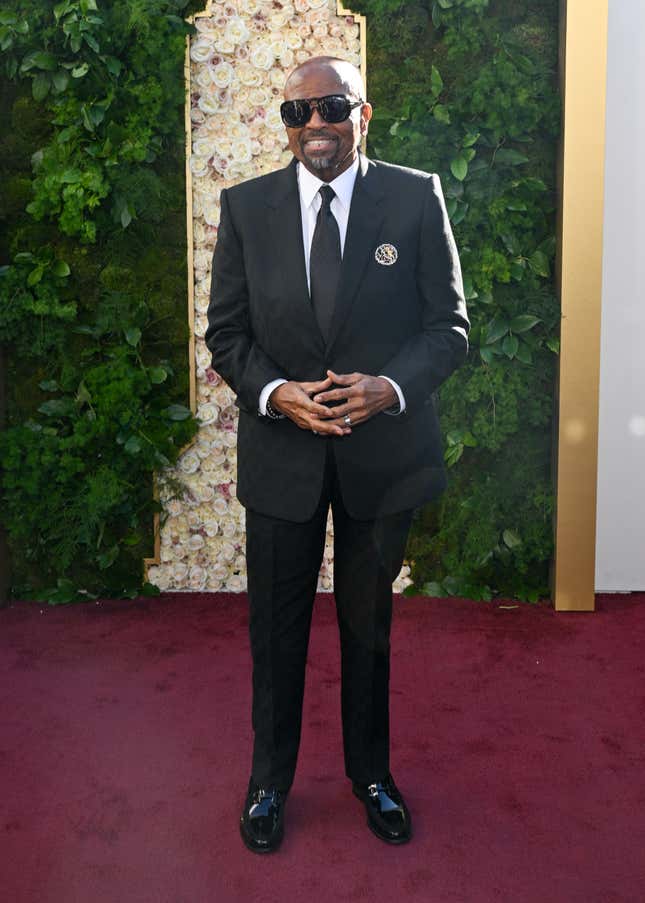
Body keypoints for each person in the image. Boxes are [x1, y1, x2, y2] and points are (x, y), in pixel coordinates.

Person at [205, 56, 469, 853]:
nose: (312, 123)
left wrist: (389, 387)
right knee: (276, 632)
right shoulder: (245, 207)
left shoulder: (415, 195)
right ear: (283, 122)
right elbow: (227, 333)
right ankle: (267, 784)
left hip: (382, 460)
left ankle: (372, 777)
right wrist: (273, 392)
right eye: (295, 111)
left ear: (363, 113)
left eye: (329, 107)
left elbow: (448, 328)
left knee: (369, 626)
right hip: (281, 460)